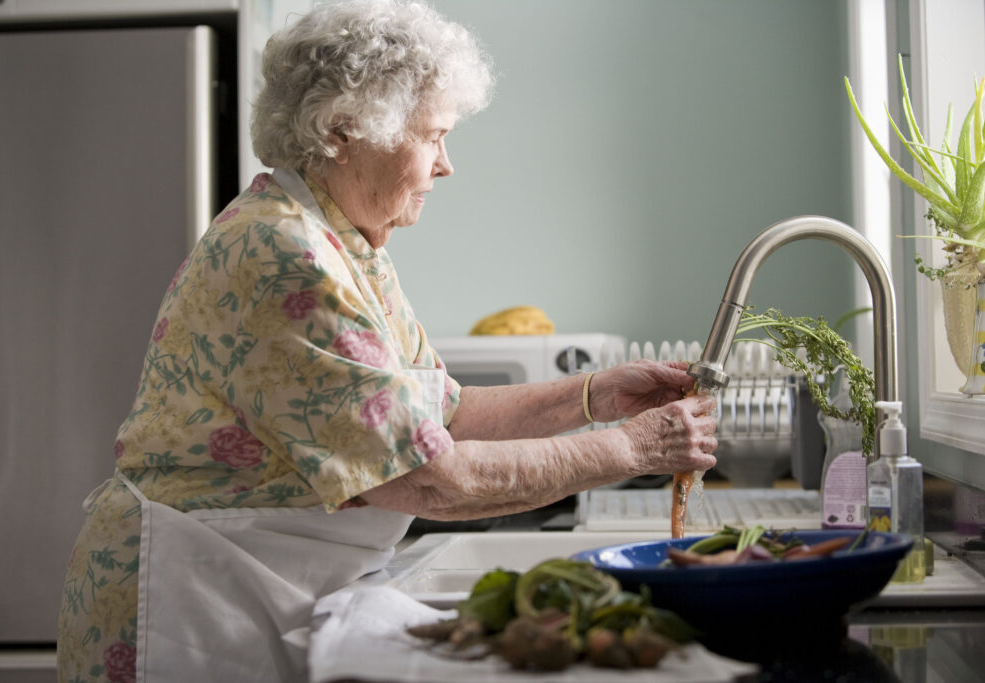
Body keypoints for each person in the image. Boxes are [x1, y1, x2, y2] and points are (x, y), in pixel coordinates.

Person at [56, 1, 718, 681]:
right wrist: (632, 448)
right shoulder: (284, 254)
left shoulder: (345, 242)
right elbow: (429, 479)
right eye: (433, 136)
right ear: (345, 130)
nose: (446, 165)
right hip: (184, 604)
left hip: (243, 585)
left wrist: (596, 395)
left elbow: (443, 415)